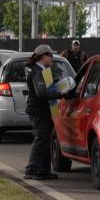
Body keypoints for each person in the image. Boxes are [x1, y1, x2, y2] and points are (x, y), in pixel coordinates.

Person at [24, 44, 74, 180]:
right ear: (43, 56)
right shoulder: (36, 71)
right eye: (50, 55)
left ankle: (43, 170)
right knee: (41, 138)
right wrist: (59, 94)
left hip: (45, 109)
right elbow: (41, 92)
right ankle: (32, 169)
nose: (52, 58)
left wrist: (62, 85)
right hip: (38, 110)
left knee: (45, 138)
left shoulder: (45, 70)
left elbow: (50, 86)